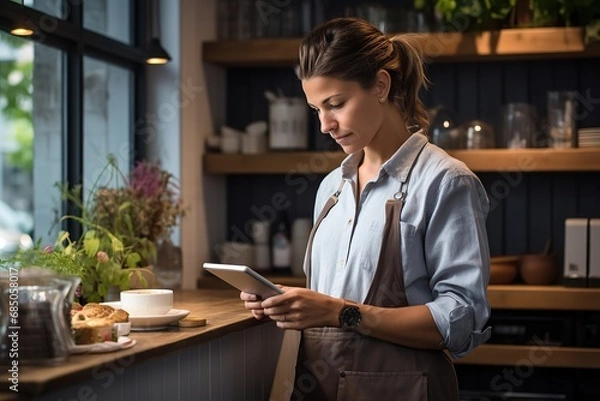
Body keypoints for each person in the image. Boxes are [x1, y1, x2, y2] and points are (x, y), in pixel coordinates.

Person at [241, 17, 491, 401]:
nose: (325, 125)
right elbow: (332, 296)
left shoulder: (445, 182)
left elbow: (460, 321)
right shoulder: (331, 188)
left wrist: (340, 312)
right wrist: (285, 303)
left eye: (336, 104)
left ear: (380, 85)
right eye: (316, 109)